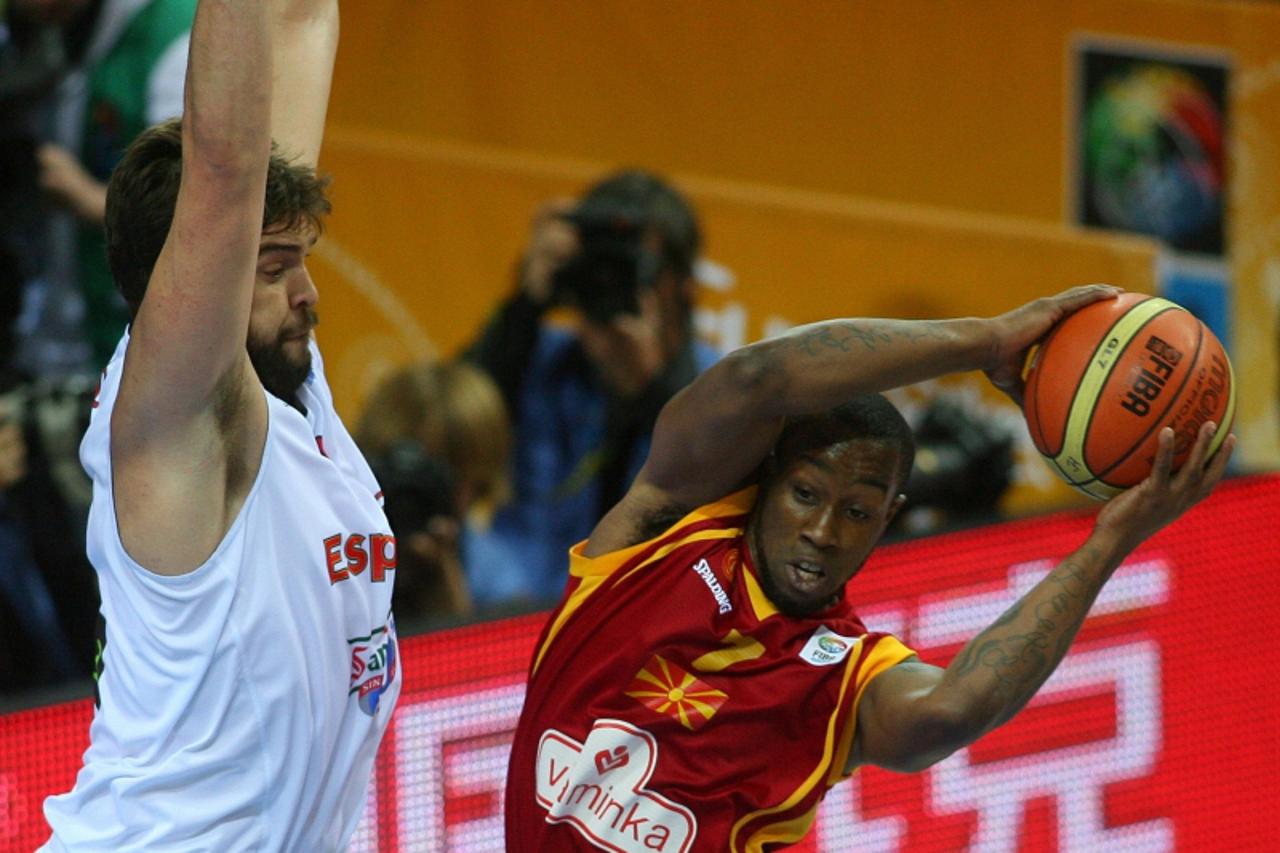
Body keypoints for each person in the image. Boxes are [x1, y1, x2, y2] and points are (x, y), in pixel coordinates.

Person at [503, 285, 1234, 851]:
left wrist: (1110, 539)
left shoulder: (842, 671)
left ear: (889, 519)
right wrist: (988, 341)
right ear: (769, 475)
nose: (822, 531)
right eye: (807, 494)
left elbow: (946, 712)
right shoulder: (660, 529)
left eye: (856, 511)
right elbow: (760, 376)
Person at [41, 1, 401, 850]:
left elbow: (304, 19)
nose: (307, 291)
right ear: (190, 284)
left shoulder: (285, 367)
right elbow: (225, 167)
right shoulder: (180, 408)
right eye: (274, 266)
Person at [465, 169, 719, 604]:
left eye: (631, 271)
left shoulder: (716, 389)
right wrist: (526, 304)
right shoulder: (539, 354)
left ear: (682, 286)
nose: (609, 284)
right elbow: (447, 432)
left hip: (630, 619)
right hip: (507, 614)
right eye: (597, 267)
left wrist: (652, 394)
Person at [358, 358, 517, 617]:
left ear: (478, 483)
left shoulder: (496, 577)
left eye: (434, 481)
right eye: (402, 480)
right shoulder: (334, 555)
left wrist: (448, 594)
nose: (412, 501)